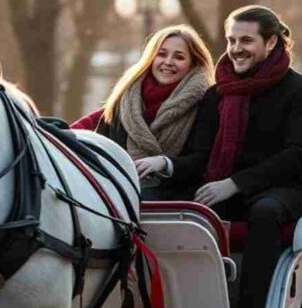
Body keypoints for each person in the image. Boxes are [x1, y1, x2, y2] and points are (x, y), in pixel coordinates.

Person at [194, 5, 302, 308]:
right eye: (232, 40)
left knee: (264, 214)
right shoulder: (217, 93)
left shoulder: (301, 90)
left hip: (281, 188)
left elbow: (299, 154)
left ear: (270, 42)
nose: (236, 48)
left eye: (246, 40)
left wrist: (235, 183)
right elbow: (199, 154)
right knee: (179, 212)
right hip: (221, 184)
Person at [72, 25, 214, 200]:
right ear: (151, 57)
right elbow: (101, 143)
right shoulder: (125, 98)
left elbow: (202, 161)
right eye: (161, 54)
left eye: (179, 57)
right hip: (117, 186)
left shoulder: (206, 101)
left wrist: (164, 163)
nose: (168, 62)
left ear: (193, 64)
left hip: (175, 196)